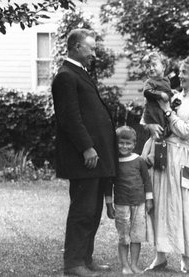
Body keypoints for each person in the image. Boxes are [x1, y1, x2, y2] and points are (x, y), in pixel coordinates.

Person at [51, 28, 118, 277]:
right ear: (77, 47)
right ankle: (73, 264)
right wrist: (87, 147)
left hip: (96, 158)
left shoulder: (80, 73)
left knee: (93, 210)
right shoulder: (65, 76)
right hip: (84, 158)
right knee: (83, 210)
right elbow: (69, 118)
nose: (94, 53)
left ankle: (86, 259)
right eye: (91, 48)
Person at [142, 54, 189, 273]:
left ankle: (187, 257)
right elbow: (149, 117)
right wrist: (150, 126)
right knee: (160, 201)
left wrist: (169, 111)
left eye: (185, 72)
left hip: (183, 155)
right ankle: (160, 256)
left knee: (186, 204)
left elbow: (186, 131)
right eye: (179, 71)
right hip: (163, 151)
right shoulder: (171, 94)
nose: (179, 76)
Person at [105, 126, 154, 275]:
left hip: (139, 204)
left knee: (136, 237)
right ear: (115, 143)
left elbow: (147, 181)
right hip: (121, 205)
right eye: (121, 143)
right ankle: (125, 266)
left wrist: (149, 200)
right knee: (124, 237)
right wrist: (109, 204)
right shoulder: (113, 162)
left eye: (128, 143)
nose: (124, 146)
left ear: (134, 144)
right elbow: (108, 185)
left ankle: (134, 264)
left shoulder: (139, 160)